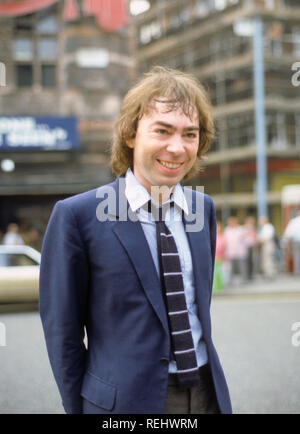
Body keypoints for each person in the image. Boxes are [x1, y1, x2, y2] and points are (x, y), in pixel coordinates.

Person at [39, 66, 232, 415]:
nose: (177, 148)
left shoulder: (202, 209)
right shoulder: (78, 216)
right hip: (123, 405)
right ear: (131, 135)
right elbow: (62, 335)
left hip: (206, 393)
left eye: (190, 134)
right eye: (162, 130)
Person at [223, 216, 247, 285]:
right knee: (230, 268)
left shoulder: (241, 229)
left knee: (242, 267)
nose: (231, 223)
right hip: (230, 252)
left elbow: (245, 239)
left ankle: (243, 280)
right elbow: (225, 241)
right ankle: (230, 281)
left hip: (240, 252)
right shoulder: (226, 230)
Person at [282, 209, 300, 275]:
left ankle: (297, 271)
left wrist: (286, 242)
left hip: (296, 241)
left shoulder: (293, 221)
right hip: (296, 240)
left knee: (297, 256)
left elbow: (288, 233)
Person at [213, 222, 226, 292]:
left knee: (219, 272)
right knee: (215, 272)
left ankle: (220, 286)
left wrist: (224, 255)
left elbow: (224, 247)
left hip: (220, 257)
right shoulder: (214, 235)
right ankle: (215, 286)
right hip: (214, 257)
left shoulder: (222, 236)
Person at [243, 216, 257, 281]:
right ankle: (248, 275)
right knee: (247, 261)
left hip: (251, 246)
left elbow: (254, 237)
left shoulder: (253, 228)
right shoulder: (245, 228)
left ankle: (251, 275)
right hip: (246, 246)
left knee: (251, 261)